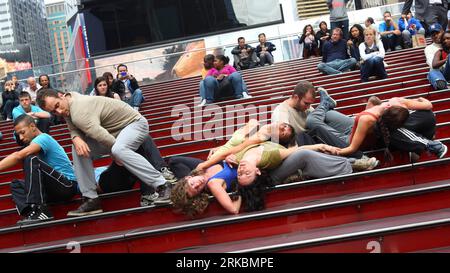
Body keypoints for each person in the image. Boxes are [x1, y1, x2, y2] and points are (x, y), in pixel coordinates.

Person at [36, 89, 172, 217]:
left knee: (118, 149)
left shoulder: (79, 110)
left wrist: (116, 155)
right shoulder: (70, 100)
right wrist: (75, 138)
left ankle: (163, 185)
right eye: (54, 112)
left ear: (60, 95)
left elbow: (100, 135)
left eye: (57, 106)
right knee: (79, 148)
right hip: (115, 131)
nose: (59, 112)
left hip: (134, 124)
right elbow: (73, 126)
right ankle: (91, 199)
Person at [306, 89, 448, 159]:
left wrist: (334, 150)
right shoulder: (398, 102)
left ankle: (324, 104)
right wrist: (421, 98)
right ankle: (326, 105)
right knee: (328, 115)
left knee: (312, 122)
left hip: (349, 140)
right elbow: (428, 105)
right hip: (354, 125)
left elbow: (351, 148)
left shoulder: (374, 117)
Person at [4, 115, 78, 225]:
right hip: (52, 189)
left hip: (67, 186)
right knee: (15, 184)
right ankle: (32, 212)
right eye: (18, 134)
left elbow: (18, 156)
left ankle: (40, 209)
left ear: (32, 126)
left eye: (22, 132)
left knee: (30, 158)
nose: (20, 138)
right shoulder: (34, 143)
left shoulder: (43, 138)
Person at [96, 135, 177, 206]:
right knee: (138, 139)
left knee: (141, 137)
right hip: (105, 183)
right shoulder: (88, 169)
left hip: (127, 180)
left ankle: (160, 173)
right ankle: (160, 173)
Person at [426, 23, 447, 90]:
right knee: (432, 72)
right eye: (433, 35)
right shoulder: (428, 48)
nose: (435, 36)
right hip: (440, 72)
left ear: (442, 32)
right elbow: (432, 65)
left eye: (437, 33)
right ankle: (441, 84)